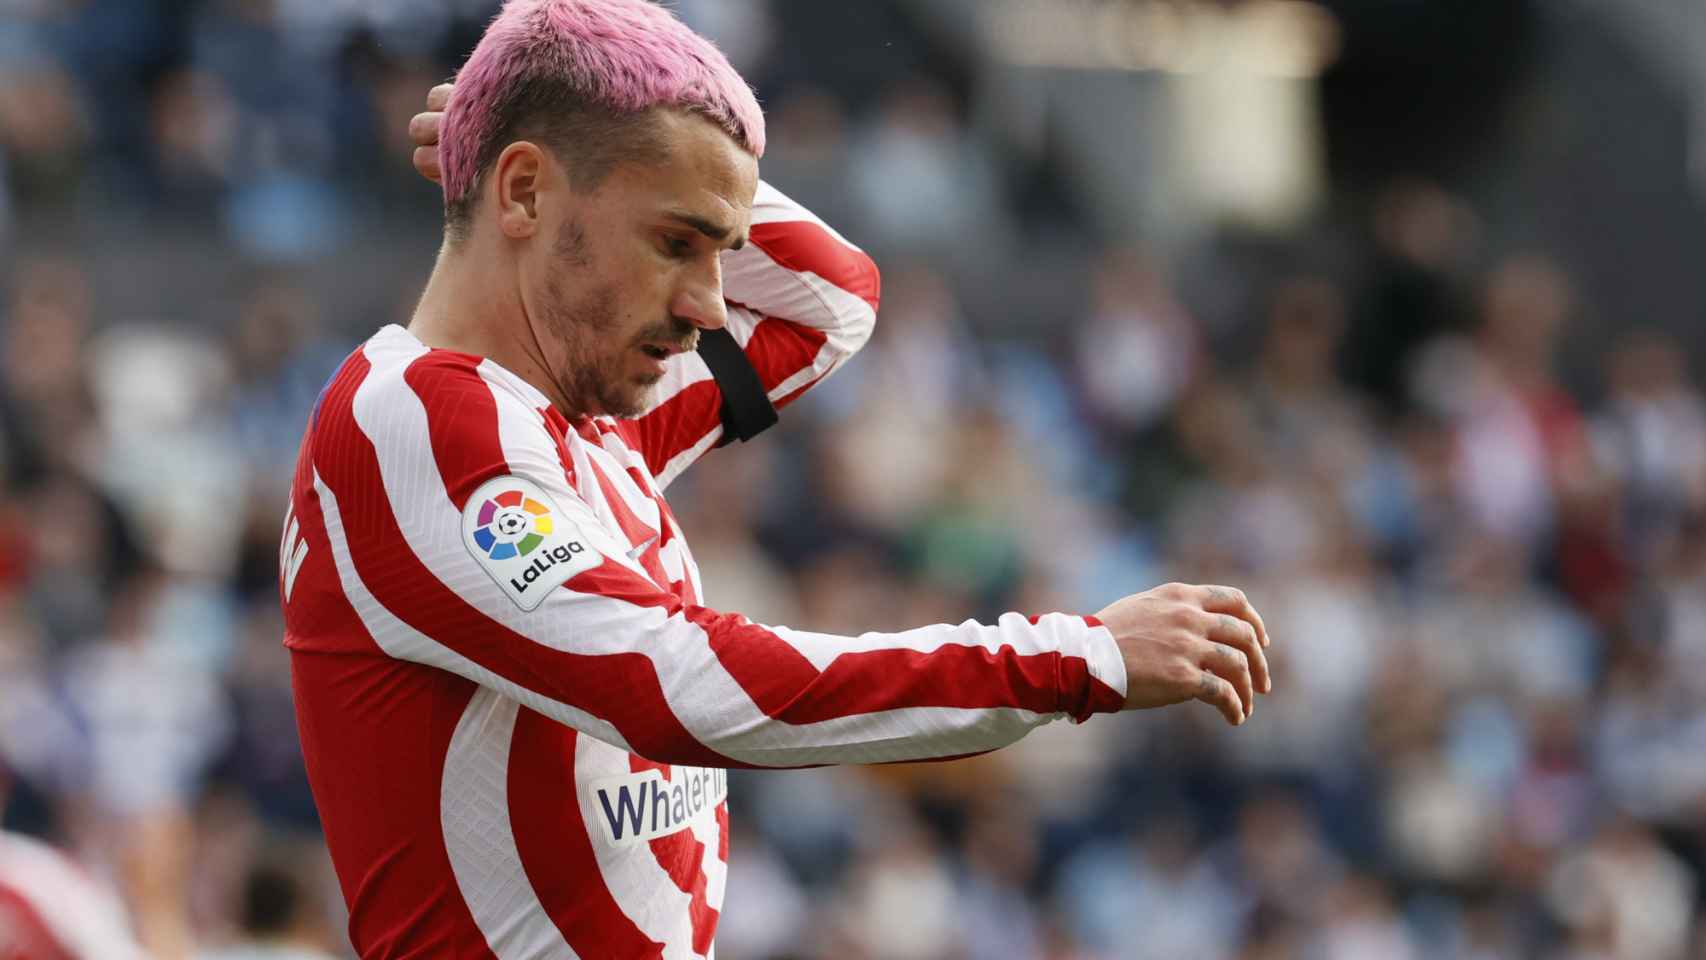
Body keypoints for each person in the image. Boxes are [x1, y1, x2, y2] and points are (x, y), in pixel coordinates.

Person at [281, 1, 1273, 956]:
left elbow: (830, 303)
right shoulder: (413, 422)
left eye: (723, 251)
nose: (711, 305)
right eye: (676, 242)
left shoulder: (580, 413)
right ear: (527, 194)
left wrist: (586, 134)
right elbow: (677, 690)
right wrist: (1072, 656)